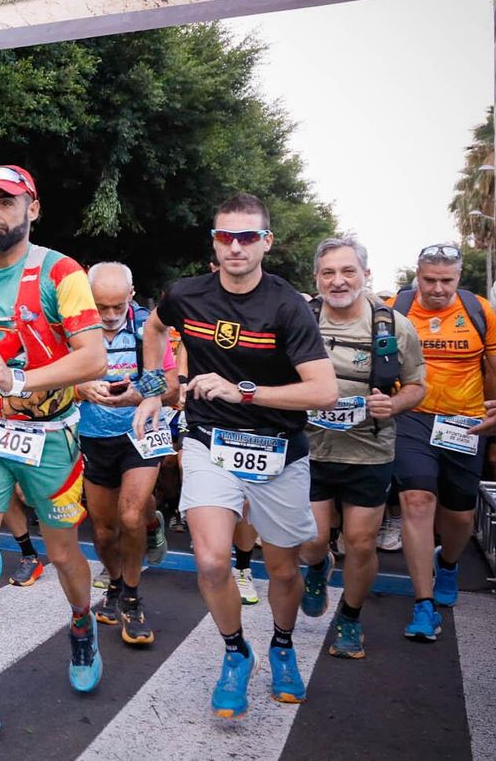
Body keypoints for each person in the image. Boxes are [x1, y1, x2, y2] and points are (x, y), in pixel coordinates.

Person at [133, 193, 337, 719]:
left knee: (283, 569)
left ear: (266, 242)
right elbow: (153, 328)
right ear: (214, 242)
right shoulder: (187, 294)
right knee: (210, 559)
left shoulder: (287, 305)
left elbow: (322, 392)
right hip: (209, 442)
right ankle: (235, 651)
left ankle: (283, 645)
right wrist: (158, 388)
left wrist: (243, 391)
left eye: (248, 237)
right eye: (226, 236)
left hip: (278, 449)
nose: (236, 246)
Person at [0, 166, 107, 746]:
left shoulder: (63, 272)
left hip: (52, 436)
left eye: (5, 202)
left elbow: (93, 359)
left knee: (62, 554)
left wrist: (17, 377)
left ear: (33, 207)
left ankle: (82, 623)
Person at [300, 237, 426, 660]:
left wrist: (393, 404)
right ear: (316, 279)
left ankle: (350, 618)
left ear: (365, 275)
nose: (338, 281)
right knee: (312, 542)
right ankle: (318, 568)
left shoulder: (391, 326)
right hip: (312, 449)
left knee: (360, 542)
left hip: (368, 451)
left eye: (347, 271)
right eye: (328, 273)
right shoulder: (303, 318)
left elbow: (417, 387)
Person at [388, 244, 496, 642]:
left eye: (446, 281)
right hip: (413, 417)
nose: (437, 289)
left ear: (458, 279)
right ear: (417, 276)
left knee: (459, 516)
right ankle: (423, 605)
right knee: (418, 500)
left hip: (465, 421)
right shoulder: (396, 309)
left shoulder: (479, 311)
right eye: (429, 280)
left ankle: (450, 562)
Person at [78, 262, 180, 646]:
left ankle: (134, 599)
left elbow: (172, 386)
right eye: (100, 306)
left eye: (116, 307)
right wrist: (80, 389)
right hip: (93, 435)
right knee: (104, 530)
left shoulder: (148, 328)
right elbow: (52, 383)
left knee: (131, 515)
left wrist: (139, 395)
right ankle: (116, 584)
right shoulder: (76, 331)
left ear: (131, 295)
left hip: (141, 434)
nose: (107, 316)